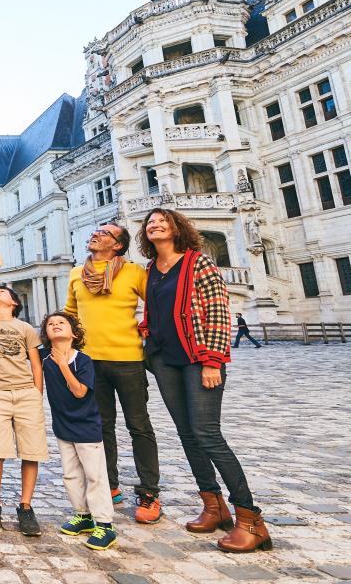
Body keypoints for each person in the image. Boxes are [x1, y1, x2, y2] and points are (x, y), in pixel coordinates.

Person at [137, 208, 271, 553]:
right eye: (150, 222)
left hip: (198, 360)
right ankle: (214, 506)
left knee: (208, 434)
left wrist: (213, 361)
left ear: (177, 228)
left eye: (162, 221)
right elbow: (156, 312)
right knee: (187, 434)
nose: (155, 225)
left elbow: (217, 312)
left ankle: (250, 519)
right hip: (165, 360)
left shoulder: (199, 263)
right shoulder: (152, 270)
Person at [64, 222, 162, 524]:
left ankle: (149, 492)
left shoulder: (133, 273)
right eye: (96, 231)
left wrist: (147, 335)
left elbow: (157, 306)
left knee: (139, 426)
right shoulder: (76, 274)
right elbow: (70, 314)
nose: (96, 234)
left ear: (118, 245)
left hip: (128, 359)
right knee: (101, 427)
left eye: (105, 233)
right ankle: (110, 485)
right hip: (91, 362)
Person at [0, 285, 47, 536]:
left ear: (14, 303)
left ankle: (26, 506)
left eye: (2, 293)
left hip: (26, 393)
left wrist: (37, 393)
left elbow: (36, 364)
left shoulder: (25, 328)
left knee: (30, 450)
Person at [40, 311, 116, 550]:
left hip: (86, 425)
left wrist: (63, 365)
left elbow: (80, 391)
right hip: (63, 425)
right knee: (70, 474)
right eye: (51, 324)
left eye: (61, 322)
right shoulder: (43, 357)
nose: (55, 325)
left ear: (74, 333)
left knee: (95, 475)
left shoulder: (82, 360)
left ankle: (105, 523)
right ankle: (82, 515)